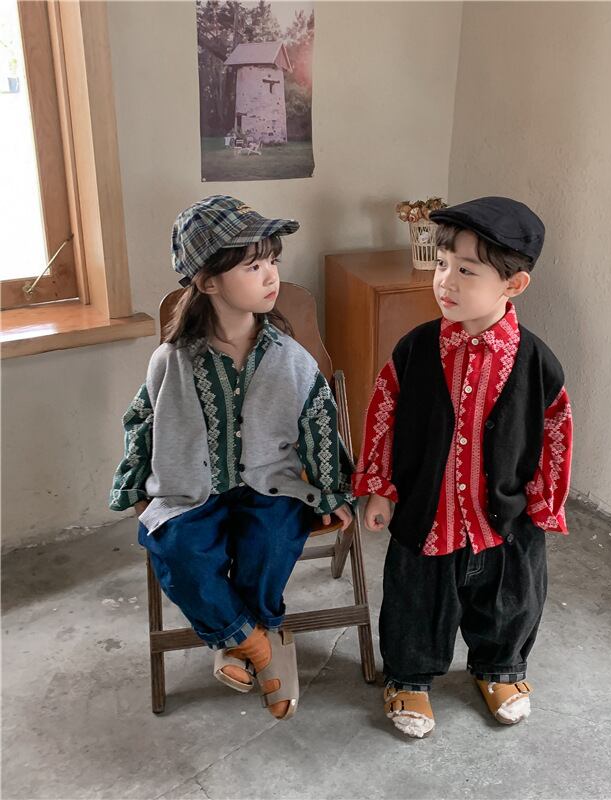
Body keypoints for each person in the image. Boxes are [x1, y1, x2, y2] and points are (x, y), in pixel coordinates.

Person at [110, 195, 353, 719]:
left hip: (272, 483)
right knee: (178, 550)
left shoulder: (290, 359)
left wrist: (333, 491)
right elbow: (143, 419)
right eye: (253, 266)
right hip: (187, 489)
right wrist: (132, 483)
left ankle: (236, 638)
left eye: (273, 261)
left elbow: (319, 420)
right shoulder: (171, 360)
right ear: (207, 282)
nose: (271, 276)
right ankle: (259, 644)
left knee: (272, 541)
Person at [354, 196, 573, 738]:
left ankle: (500, 668)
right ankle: (409, 676)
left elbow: (556, 432)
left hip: (504, 516)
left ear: (513, 284)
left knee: (510, 598)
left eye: (466, 271)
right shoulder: (416, 349)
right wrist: (380, 488)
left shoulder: (535, 361)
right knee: (416, 599)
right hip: (428, 512)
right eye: (442, 263)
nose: (445, 281)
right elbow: (384, 412)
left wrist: (544, 504)